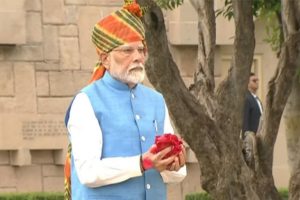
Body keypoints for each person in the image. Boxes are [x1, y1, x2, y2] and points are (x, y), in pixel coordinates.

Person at [64, 1, 186, 200]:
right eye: (127, 51)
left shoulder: (156, 100)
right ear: (105, 59)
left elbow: (176, 175)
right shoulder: (86, 101)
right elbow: (87, 172)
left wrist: (174, 165)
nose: (137, 57)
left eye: (141, 50)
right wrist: (141, 163)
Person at [242, 72, 263, 137]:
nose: (257, 82)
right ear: (247, 83)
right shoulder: (246, 99)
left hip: (260, 137)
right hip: (251, 139)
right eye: (254, 81)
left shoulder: (257, 99)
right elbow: (245, 121)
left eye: (257, 80)